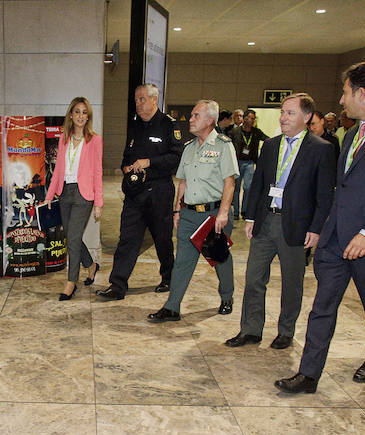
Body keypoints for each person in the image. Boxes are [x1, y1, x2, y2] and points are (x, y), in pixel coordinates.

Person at [276, 60, 365, 393]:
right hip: (337, 238)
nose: (341, 101)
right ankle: (308, 374)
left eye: (344, 93)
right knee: (322, 305)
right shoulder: (354, 132)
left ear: (361, 92)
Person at [225, 93, 335, 349]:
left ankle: (285, 331)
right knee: (253, 278)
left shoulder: (321, 150)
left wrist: (316, 229)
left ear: (307, 117)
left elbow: (324, 195)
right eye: (282, 112)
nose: (283, 117)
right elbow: (259, 185)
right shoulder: (271, 146)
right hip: (266, 221)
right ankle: (251, 329)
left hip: (296, 226)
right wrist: (251, 216)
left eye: (290, 113)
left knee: (292, 282)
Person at [147, 99, 238, 322]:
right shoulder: (188, 148)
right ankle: (172, 307)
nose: (191, 119)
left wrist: (223, 214)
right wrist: (178, 210)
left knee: (219, 258)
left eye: (196, 115)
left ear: (210, 120)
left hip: (212, 214)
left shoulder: (223, 146)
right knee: (183, 262)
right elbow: (183, 182)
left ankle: (227, 297)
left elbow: (230, 182)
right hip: (188, 214)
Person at [96, 83, 182, 300]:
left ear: (154, 100)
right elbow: (127, 155)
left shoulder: (168, 125)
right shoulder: (134, 125)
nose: (138, 104)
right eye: (136, 100)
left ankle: (169, 277)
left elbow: (176, 157)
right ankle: (117, 285)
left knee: (162, 239)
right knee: (127, 238)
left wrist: (149, 162)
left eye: (142, 99)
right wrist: (126, 166)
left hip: (159, 192)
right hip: (135, 193)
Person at [45, 96, 103, 300]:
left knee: (73, 238)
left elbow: (97, 171)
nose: (80, 116)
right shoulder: (63, 138)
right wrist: (49, 195)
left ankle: (71, 282)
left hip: (84, 194)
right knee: (72, 237)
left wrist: (98, 203)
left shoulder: (94, 140)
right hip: (65, 192)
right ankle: (91, 264)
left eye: (84, 112)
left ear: (88, 117)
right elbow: (58, 169)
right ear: (71, 114)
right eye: (77, 111)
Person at [228, 109, 267, 220]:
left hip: (250, 163)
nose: (253, 120)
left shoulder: (256, 132)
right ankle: (235, 211)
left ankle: (245, 210)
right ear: (245, 118)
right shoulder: (235, 132)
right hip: (237, 163)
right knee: (235, 188)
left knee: (248, 187)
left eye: (254, 118)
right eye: (251, 118)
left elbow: (267, 139)